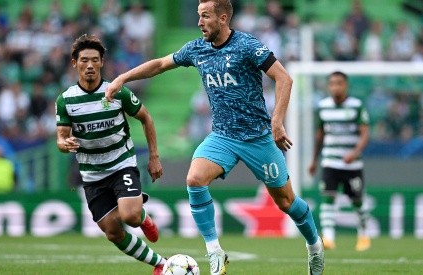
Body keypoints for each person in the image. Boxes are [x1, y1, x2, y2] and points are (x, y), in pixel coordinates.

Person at [105, 1, 325, 274]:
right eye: (198, 16)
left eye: (205, 16)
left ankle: (314, 246)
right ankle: (215, 252)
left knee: (286, 202)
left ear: (222, 18)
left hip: (258, 138)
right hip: (222, 137)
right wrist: (122, 78)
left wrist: (277, 121)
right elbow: (161, 64)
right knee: (194, 179)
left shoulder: (247, 46)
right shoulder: (197, 49)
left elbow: (284, 79)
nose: (199, 22)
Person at [55, 34, 166, 275]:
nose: (90, 65)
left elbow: (146, 117)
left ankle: (142, 217)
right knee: (112, 231)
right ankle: (161, 264)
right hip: (92, 175)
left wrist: (154, 156)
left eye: (95, 60)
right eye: (84, 60)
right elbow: (60, 138)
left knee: (130, 216)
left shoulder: (116, 92)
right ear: (74, 63)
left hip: (121, 164)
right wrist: (66, 144)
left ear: (102, 62)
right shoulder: (66, 101)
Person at [308, 71, 371, 252]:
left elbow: (365, 134)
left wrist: (355, 152)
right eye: (333, 83)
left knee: (357, 201)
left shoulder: (356, 106)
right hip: (330, 161)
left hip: (352, 163)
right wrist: (313, 160)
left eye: (340, 83)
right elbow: (319, 135)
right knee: (328, 197)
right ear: (329, 86)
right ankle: (328, 237)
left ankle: (363, 235)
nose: (336, 86)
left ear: (346, 85)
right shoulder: (323, 107)